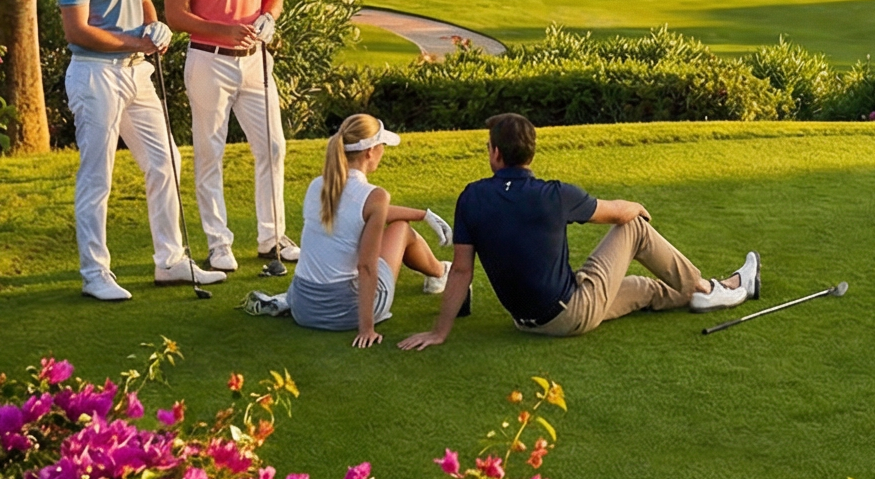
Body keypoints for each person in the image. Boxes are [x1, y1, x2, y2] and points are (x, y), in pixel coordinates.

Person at [397, 112, 757, 349]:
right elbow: (618, 214)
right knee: (634, 228)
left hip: (528, 322)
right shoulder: (553, 194)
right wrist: (637, 208)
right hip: (572, 311)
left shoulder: (471, 197)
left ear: (495, 154)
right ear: (530, 154)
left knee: (644, 290)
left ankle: (708, 290)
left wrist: (439, 332)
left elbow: (461, 270)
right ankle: (707, 289)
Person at [58, 0, 222, 301]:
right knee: (99, 176)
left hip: (136, 73)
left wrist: (156, 27)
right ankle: (95, 273)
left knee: (165, 160)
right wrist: (137, 40)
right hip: (96, 75)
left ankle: (169, 261)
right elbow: (76, 30)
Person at [161, 0, 296, 275]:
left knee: (273, 148)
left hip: (256, 62)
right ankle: (219, 244)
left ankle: (272, 236)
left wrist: (270, 18)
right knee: (209, 155)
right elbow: (175, 15)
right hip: (208, 61)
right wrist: (226, 30)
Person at [290, 114, 452, 346]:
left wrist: (423, 214)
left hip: (302, 308)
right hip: (345, 314)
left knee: (397, 224)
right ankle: (439, 273)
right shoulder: (375, 196)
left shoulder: (318, 185)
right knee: (401, 229)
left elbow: (361, 210)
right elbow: (366, 266)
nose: (383, 152)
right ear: (370, 152)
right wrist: (367, 328)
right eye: (382, 146)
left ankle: (438, 273)